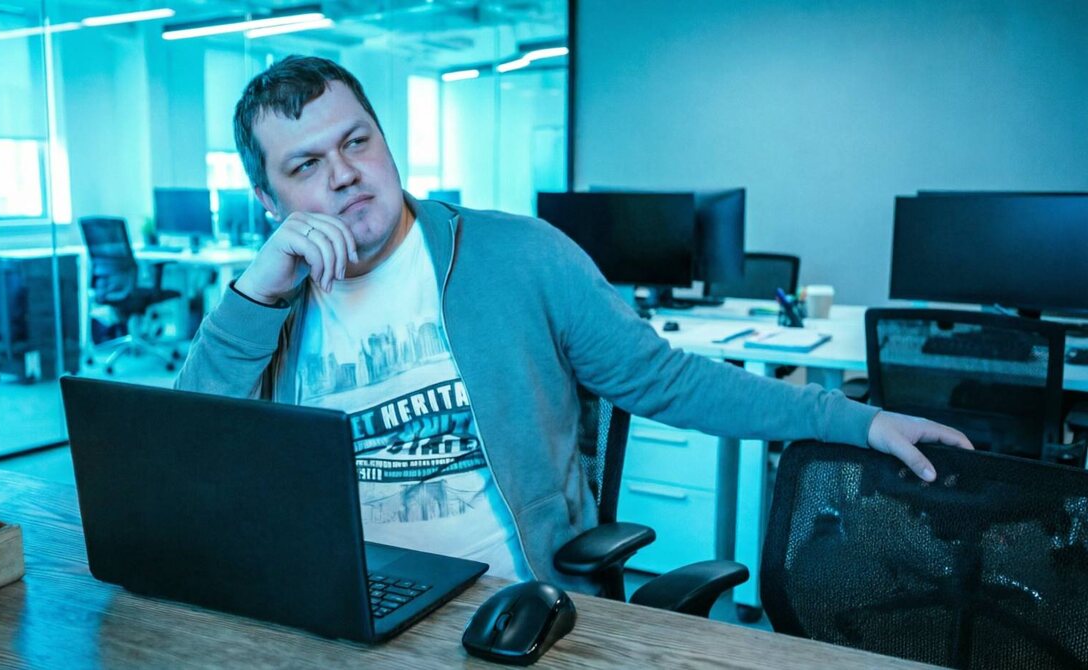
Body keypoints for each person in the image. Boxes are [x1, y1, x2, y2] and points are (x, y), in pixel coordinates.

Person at [176, 55, 972, 591]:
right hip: (341, 602)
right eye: (306, 165)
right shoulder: (269, 303)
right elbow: (185, 454)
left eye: (358, 141)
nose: (346, 175)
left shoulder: (517, 255)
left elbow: (667, 380)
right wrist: (253, 296)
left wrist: (856, 421)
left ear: (386, 142)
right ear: (269, 201)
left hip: (507, 602)